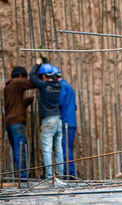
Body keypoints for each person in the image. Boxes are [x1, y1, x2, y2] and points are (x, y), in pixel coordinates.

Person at [29, 57, 65, 185]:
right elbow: (54, 76)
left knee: (47, 150)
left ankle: (50, 178)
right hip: (58, 120)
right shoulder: (57, 86)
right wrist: (46, 61)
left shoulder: (43, 86)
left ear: (44, 75)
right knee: (59, 149)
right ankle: (60, 176)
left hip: (48, 121)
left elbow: (32, 76)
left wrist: (38, 63)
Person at [4, 66, 35, 178]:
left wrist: (28, 101)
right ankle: (22, 176)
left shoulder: (8, 87)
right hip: (17, 122)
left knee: (16, 149)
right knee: (20, 149)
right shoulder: (17, 82)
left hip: (9, 122)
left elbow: (15, 105)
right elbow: (32, 84)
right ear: (21, 76)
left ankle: (19, 175)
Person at [52, 66, 77, 179]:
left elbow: (59, 102)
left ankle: (69, 175)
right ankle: (69, 174)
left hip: (65, 122)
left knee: (65, 149)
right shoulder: (69, 87)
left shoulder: (61, 87)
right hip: (71, 122)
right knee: (68, 148)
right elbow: (74, 106)